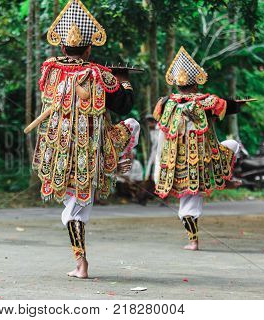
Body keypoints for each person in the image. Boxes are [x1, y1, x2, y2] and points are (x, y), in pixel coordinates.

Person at [31, 0, 140, 279]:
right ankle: (123, 158)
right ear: (89, 47)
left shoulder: (50, 70)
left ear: (62, 47)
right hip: (92, 154)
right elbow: (123, 105)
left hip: (58, 155)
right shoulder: (100, 74)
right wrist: (124, 79)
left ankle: (81, 263)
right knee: (132, 124)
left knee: (72, 208)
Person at [153, 47, 245, 251]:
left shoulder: (167, 104)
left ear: (177, 84)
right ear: (195, 83)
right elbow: (227, 106)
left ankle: (193, 241)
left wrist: (160, 165)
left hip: (178, 164)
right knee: (232, 145)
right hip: (204, 163)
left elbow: (161, 130)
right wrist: (239, 104)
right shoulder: (206, 101)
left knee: (187, 204)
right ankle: (225, 177)